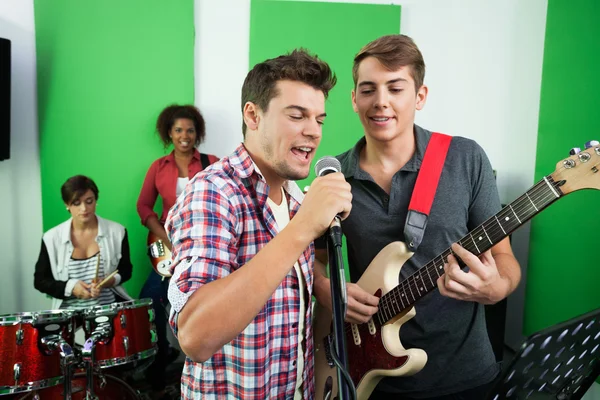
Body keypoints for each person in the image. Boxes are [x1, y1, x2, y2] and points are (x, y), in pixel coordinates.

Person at [313, 34, 521, 400]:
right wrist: (328, 290)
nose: (381, 102)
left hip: (465, 375)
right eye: (368, 89)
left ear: (420, 96)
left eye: (396, 88)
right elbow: (313, 265)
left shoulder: (465, 159)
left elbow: (505, 259)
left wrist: (498, 288)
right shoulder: (333, 178)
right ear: (353, 99)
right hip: (370, 376)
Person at [166, 49, 351, 399]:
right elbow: (195, 337)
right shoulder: (214, 191)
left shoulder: (297, 199)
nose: (313, 131)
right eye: (297, 115)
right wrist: (302, 230)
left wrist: (320, 285)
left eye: (320, 119)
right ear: (253, 115)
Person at [136, 104, 219, 397]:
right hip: (166, 245)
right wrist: (165, 237)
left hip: (201, 245)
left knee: (203, 299)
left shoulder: (212, 163)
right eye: (179, 130)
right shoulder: (159, 167)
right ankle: (162, 354)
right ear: (169, 133)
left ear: (198, 133)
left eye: (190, 130)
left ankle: (205, 360)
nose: (185, 135)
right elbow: (143, 206)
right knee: (151, 298)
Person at [34, 175, 132, 310]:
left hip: (109, 312)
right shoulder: (51, 238)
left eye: (89, 201)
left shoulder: (117, 231)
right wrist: (72, 288)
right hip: (69, 319)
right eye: (76, 203)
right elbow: (40, 281)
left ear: (96, 200)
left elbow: (126, 270)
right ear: (67, 205)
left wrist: (110, 281)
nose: (84, 208)